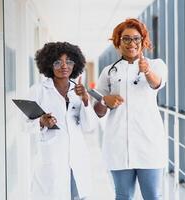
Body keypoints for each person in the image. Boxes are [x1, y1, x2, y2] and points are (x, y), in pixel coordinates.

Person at [94, 18, 168, 200]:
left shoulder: (156, 64)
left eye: (136, 38)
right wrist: (105, 100)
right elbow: (98, 109)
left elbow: (157, 84)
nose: (131, 43)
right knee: (123, 196)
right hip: (118, 144)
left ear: (143, 41)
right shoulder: (108, 71)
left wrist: (147, 71)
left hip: (148, 143)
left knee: (153, 196)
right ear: (118, 41)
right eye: (126, 39)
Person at [26, 42, 96, 200]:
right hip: (52, 158)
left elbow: (89, 127)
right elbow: (24, 126)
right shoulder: (38, 90)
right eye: (58, 62)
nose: (64, 66)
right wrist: (41, 122)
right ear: (49, 64)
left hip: (77, 158)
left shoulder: (78, 91)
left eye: (69, 61)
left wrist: (85, 100)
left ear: (75, 64)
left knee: (78, 195)